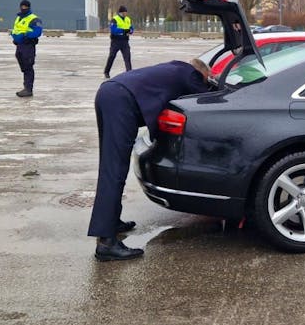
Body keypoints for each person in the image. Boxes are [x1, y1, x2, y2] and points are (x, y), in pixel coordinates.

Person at [87, 59, 213, 261]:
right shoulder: (191, 74)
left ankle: (111, 222)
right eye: (207, 78)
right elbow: (206, 99)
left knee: (110, 166)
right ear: (201, 72)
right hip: (121, 100)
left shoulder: (175, 67)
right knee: (115, 170)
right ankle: (106, 243)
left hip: (108, 92)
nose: (206, 81)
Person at [10, 0, 43, 97]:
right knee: (24, 67)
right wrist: (15, 37)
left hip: (28, 45)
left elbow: (38, 32)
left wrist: (25, 36)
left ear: (29, 7)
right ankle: (26, 87)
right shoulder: (19, 18)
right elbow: (16, 29)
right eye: (22, 6)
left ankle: (28, 89)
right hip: (19, 45)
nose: (23, 8)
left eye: (25, 6)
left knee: (28, 66)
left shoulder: (34, 19)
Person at [104, 5, 134, 78]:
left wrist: (130, 31)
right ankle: (106, 72)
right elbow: (114, 30)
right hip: (116, 41)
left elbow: (131, 28)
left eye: (126, 12)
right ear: (121, 12)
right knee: (112, 56)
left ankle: (129, 72)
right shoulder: (115, 19)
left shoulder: (128, 19)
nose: (126, 14)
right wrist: (124, 31)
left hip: (125, 41)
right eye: (124, 12)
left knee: (127, 57)